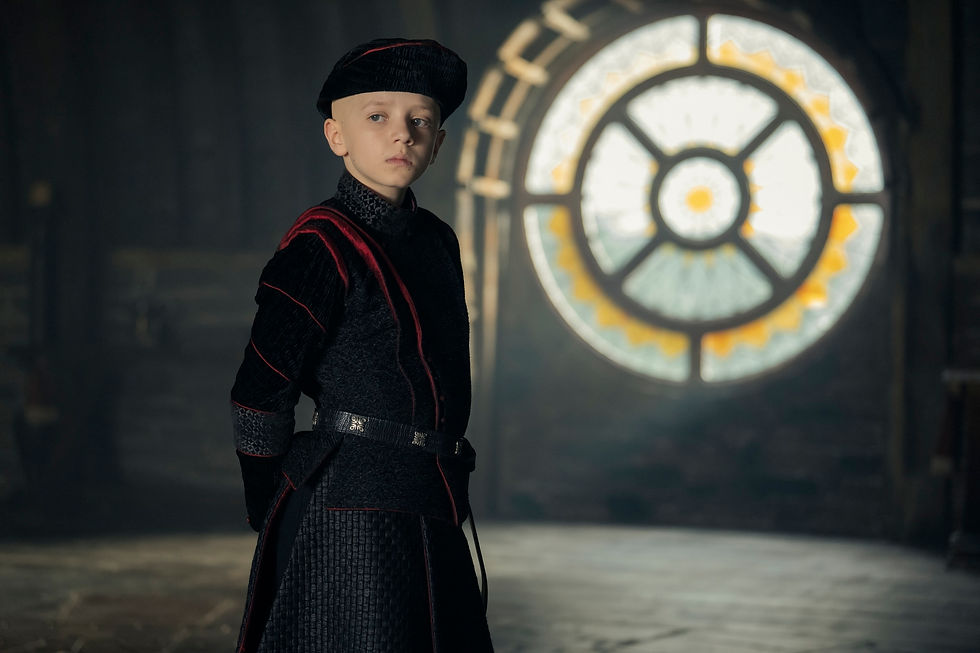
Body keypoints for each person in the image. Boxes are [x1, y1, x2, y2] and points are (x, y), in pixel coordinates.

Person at [230, 38, 493, 652]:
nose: (401, 134)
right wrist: (270, 506)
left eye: (419, 121)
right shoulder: (318, 245)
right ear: (336, 136)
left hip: (432, 494)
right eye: (377, 117)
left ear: (439, 144)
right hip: (348, 509)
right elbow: (259, 392)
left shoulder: (437, 242)